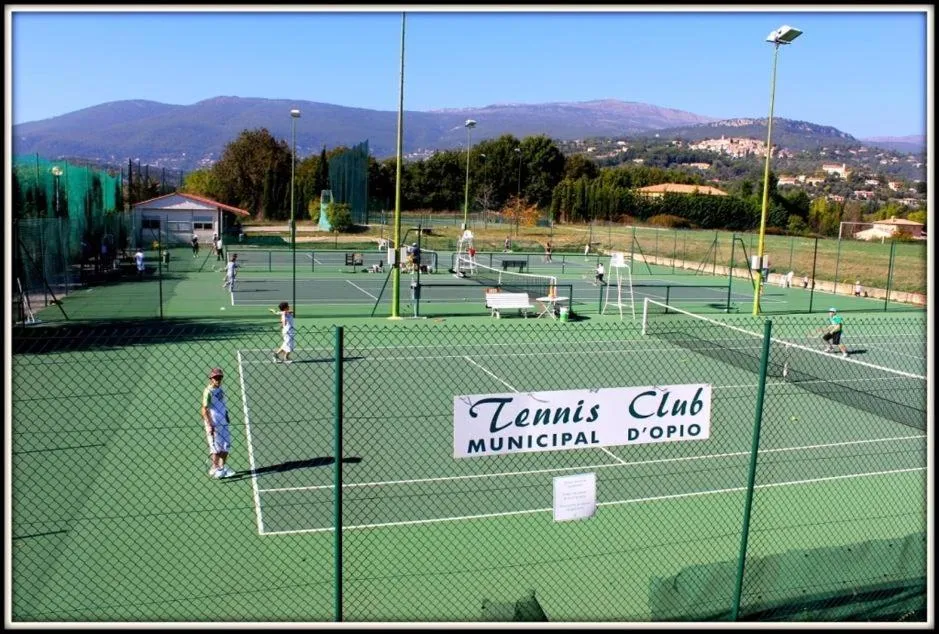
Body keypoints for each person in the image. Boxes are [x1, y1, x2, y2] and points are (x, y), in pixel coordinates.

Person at [202, 367, 235, 479]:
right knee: (216, 449)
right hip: (214, 423)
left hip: (223, 422)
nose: (218, 379)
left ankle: (221, 468)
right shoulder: (208, 391)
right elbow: (204, 410)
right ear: (211, 379)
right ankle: (214, 468)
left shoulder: (221, 389)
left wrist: (226, 416)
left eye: (220, 377)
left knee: (226, 447)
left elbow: (222, 404)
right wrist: (210, 424)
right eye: (215, 378)